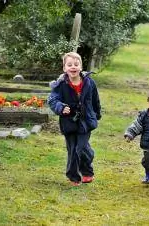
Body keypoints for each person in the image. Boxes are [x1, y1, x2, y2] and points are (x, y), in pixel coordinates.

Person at [48, 52, 101, 186]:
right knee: (72, 149)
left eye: (76, 64)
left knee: (81, 149)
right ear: (64, 68)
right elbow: (52, 100)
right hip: (68, 122)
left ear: (81, 67)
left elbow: (95, 100)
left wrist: (97, 114)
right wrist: (60, 107)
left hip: (85, 122)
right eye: (69, 64)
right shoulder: (60, 84)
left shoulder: (89, 83)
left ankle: (87, 171)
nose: (73, 67)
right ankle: (73, 177)